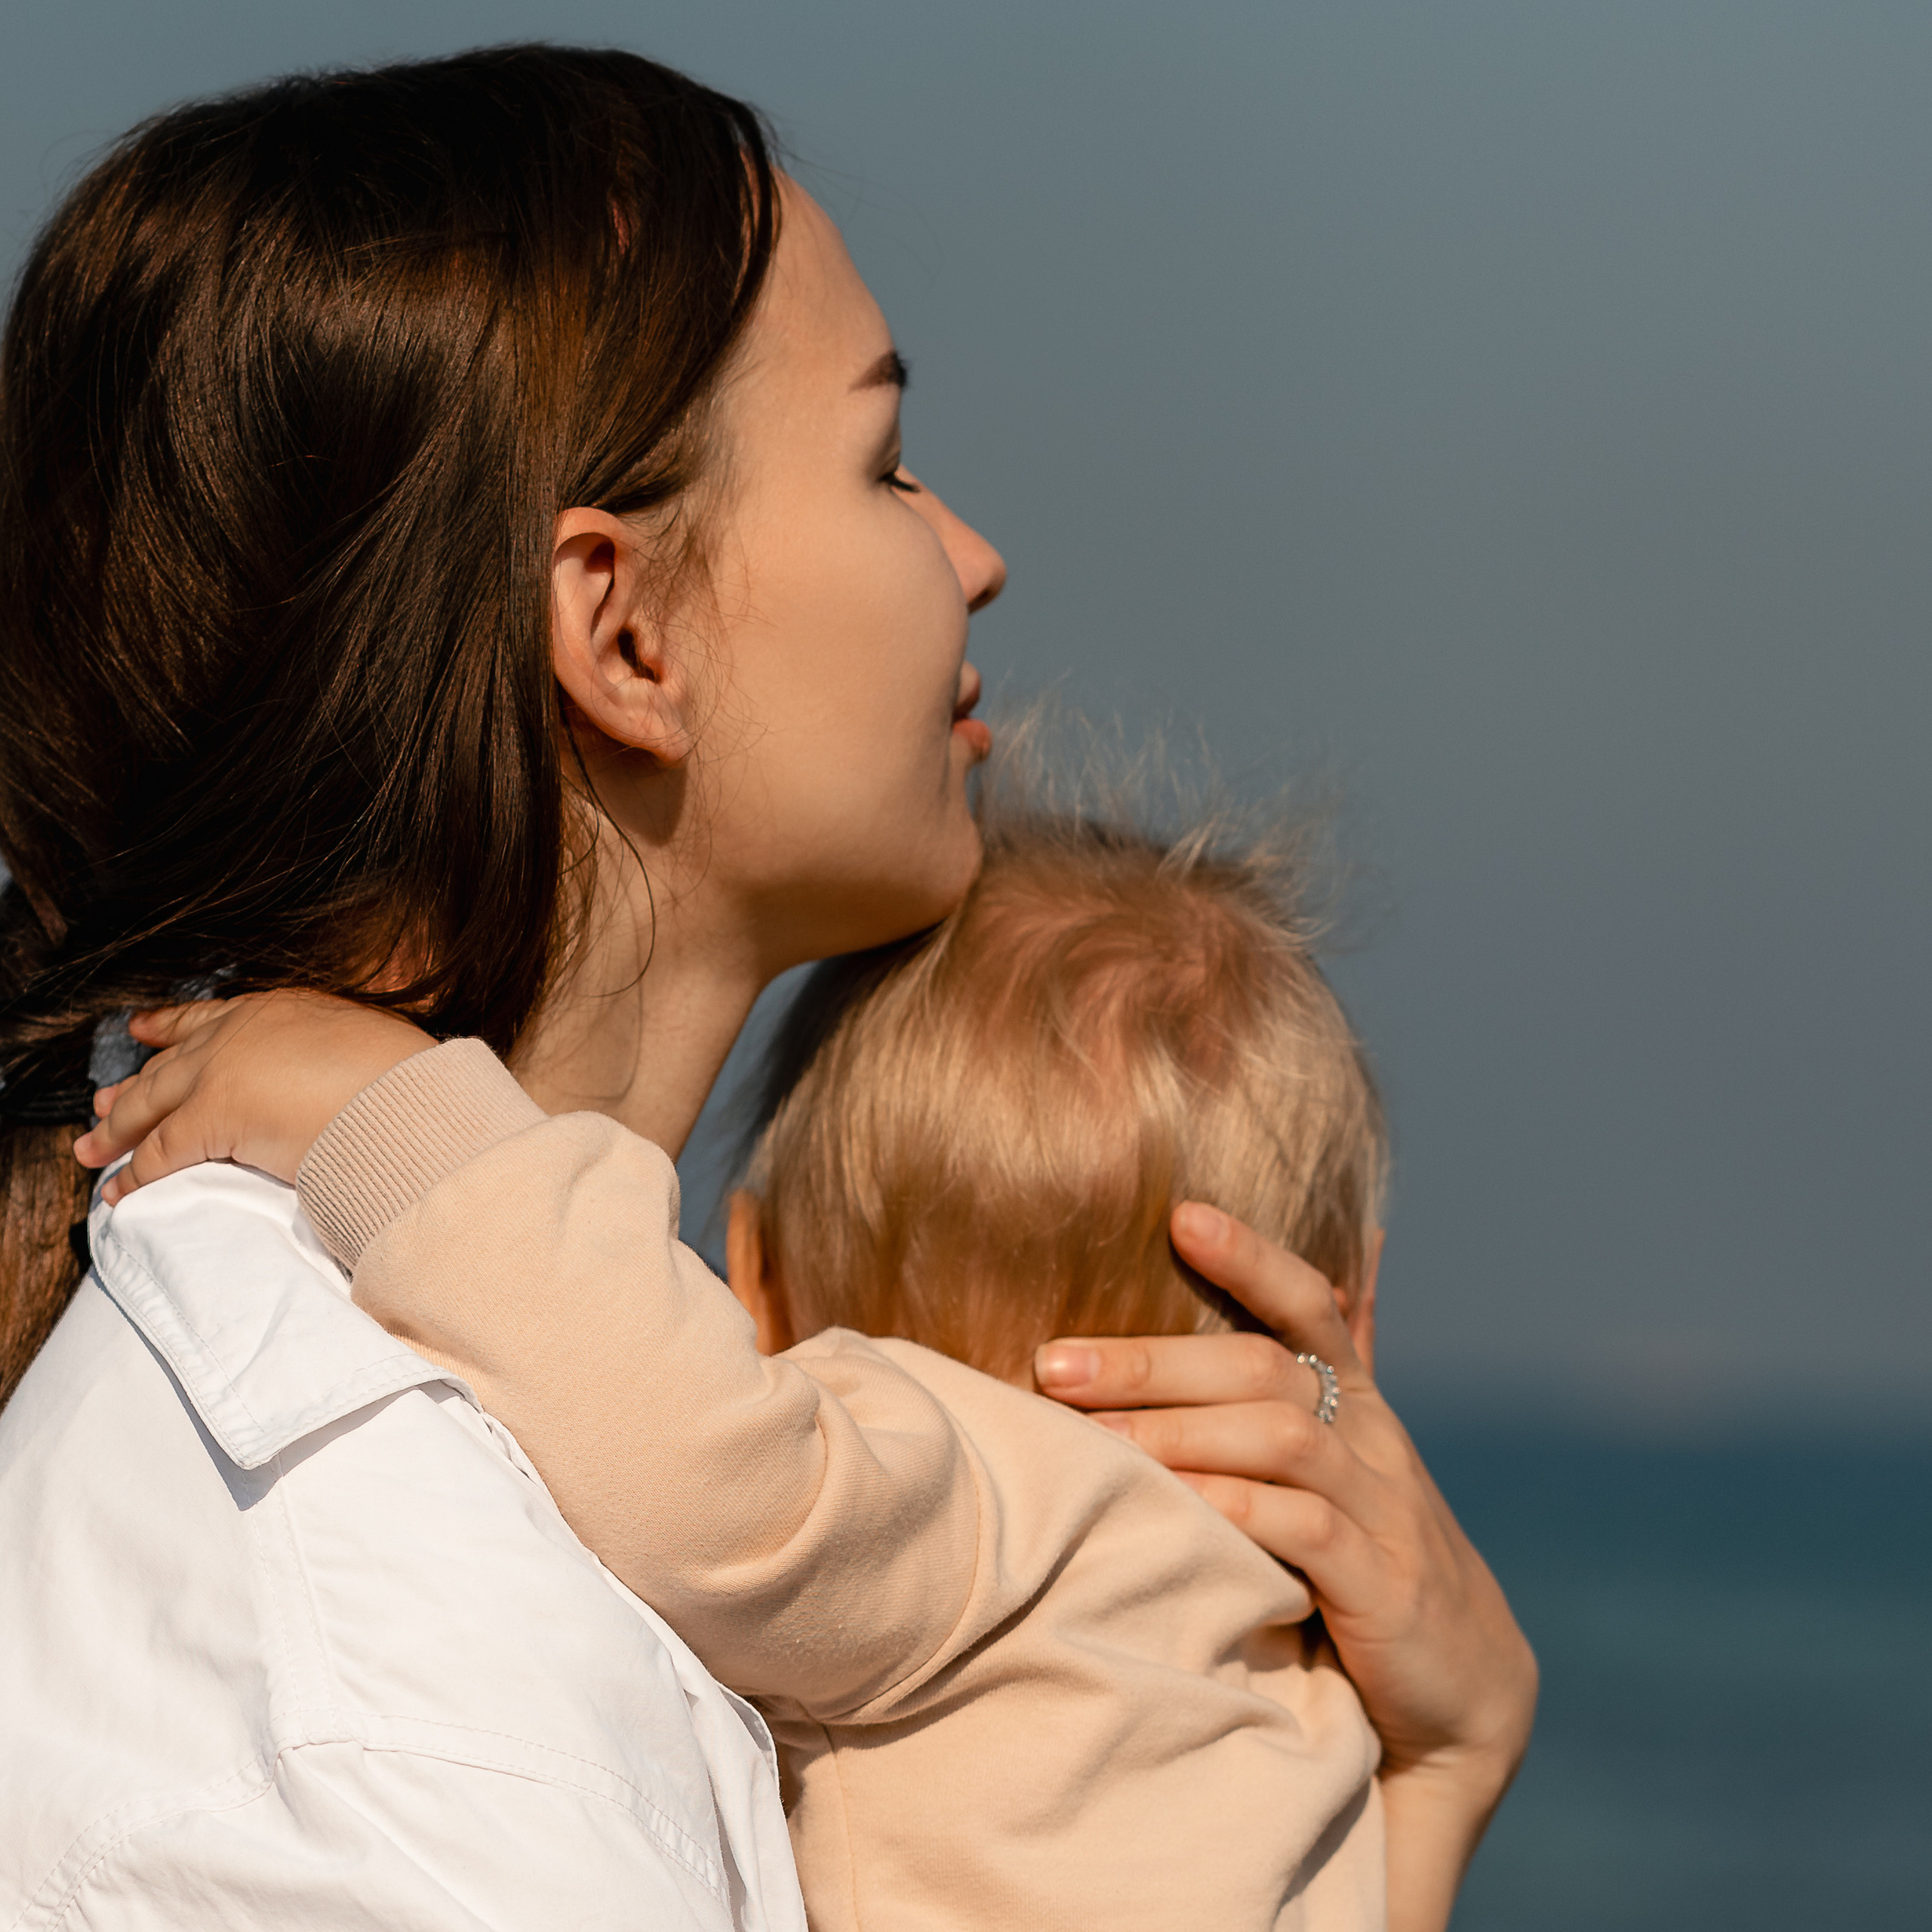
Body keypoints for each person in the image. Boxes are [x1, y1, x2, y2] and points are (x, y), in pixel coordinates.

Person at [0, 42, 1533, 1932]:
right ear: (622, 629)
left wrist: (1438, 1777)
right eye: (884, 459)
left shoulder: (494, 1499)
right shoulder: (417, 1733)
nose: (976, 553)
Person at [162, 790, 1400, 1931]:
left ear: (750, 1271)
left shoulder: (984, 1491)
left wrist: (389, 1111)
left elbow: (693, 1477)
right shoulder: (1302, 1680)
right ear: (1350, 1309)